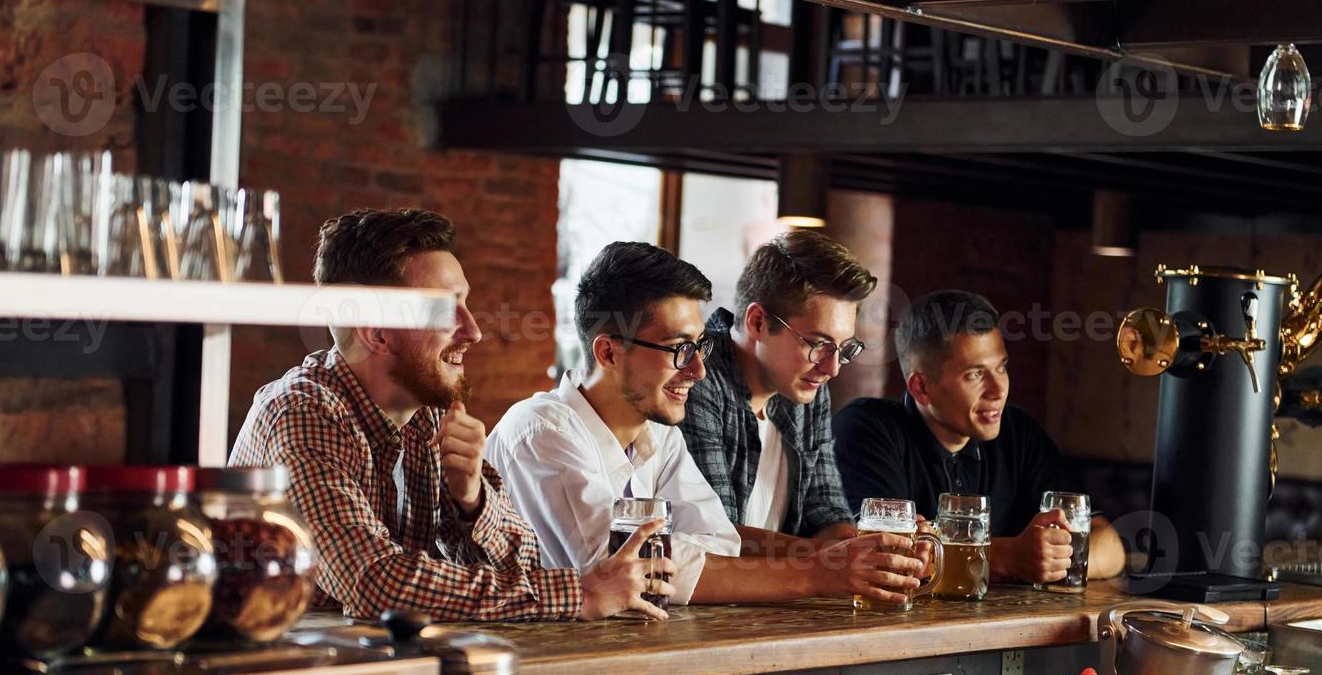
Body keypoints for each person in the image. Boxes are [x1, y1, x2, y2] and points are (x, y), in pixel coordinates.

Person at [230, 208, 672, 622]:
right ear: (376, 332)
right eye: (445, 309)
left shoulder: (427, 417)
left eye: (466, 304)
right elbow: (374, 584)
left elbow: (523, 561)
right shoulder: (302, 413)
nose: (474, 330)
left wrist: (472, 501)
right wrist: (581, 595)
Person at [486, 241, 923, 606]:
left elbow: (719, 544)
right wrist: (821, 573)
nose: (697, 370)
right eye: (679, 349)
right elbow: (630, 570)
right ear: (608, 353)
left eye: (699, 348)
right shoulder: (542, 431)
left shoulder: (660, 438)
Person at [833, 290, 1125, 585]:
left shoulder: (1018, 431)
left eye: (1001, 367)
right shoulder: (866, 427)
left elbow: (1110, 546)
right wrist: (1008, 558)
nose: (998, 390)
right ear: (921, 387)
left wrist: (1054, 561)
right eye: (975, 374)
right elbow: (888, 557)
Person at [679, 230, 875, 547]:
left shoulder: (807, 388)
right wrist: (830, 557)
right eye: (818, 344)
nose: (832, 368)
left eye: (844, 348)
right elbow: (715, 536)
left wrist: (870, 544)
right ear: (758, 322)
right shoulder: (696, 377)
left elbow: (827, 512)